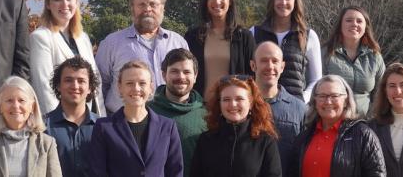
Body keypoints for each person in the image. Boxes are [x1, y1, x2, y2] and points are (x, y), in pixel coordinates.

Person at [95, 0, 189, 114]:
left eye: (153, 4)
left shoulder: (178, 43)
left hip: (169, 125)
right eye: (142, 4)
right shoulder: (112, 43)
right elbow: (98, 87)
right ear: (132, 7)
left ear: (162, 7)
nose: (147, 9)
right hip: (122, 126)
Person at [88, 60, 183, 177]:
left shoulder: (167, 127)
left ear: (151, 88)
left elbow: (175, 171)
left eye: (142, 83)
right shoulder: (103, 127)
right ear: (119, 87)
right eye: (129, 83)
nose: (136, 88)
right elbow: (98, 173)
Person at [30, 0, 104, 115]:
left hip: (89, 116)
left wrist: (101, 117)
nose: (65, 4)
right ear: (48, 4)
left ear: (76, 3)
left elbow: (94, 80)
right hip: (60, 120)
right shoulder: (40, 37)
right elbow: (44, 86)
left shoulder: (83, 38)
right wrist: (58, 123)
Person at [287, 75, 385, 177]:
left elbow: (377, 173)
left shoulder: (362, 135)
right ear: (314, 101)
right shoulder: (304, 137)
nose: (328, 101)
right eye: (322, 96)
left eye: (334, 96)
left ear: (346, 101)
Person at [0, 76, 61, 177]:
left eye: (21, 100)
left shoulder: (47, 144)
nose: (16, 106)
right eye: (9, 100)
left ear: (32, 107)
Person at [191, 75, 282, 177]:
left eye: (239, 99)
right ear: (219, 104)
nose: (233, 104)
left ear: (250, 103)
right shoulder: (206, 140)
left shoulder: (265, 142)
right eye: (226, 99)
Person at [252, 0, 322, 102]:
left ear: (295, 2)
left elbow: (316, 80)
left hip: (295, 110)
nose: (283, 2)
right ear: (273, 1)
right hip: (261, 106)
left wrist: (301, 101)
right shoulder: (254, 32)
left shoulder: (308, 36)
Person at [185, 0, 256, 96]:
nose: (217, 1)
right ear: (205, 2)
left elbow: (253, 76)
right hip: (200, 107)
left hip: (233, 107)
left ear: (230, 1)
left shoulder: (244, 36)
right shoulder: (193, 36)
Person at [148, 48, 207, 176]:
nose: (181, 77)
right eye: (174, 71)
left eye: (187, 72)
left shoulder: (207, 113)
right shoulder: (146, 111)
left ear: (195, 76)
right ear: (164, 75)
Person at [251, 41, 306, 176]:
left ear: (282, 67)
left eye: (275, 61)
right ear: (253, 65)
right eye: (264, 61)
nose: (270, 66)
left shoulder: (299, 109)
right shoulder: (240, 106)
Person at [323, 6, 385, 117]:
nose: (354, 24)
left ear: (366, 27)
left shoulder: (375, 57)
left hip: (366, 123)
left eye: (359, 21)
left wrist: (371, 119)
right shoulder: (326, 53)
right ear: (340, 25)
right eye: (349, 20)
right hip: (331, 121)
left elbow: (382, 93)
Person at [45, 56, 102, 177]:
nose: (75, 86)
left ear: (90, 88)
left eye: (81, 81)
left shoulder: (103, 127)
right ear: (58, 86)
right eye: (68, 80)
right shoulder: (43, 126)